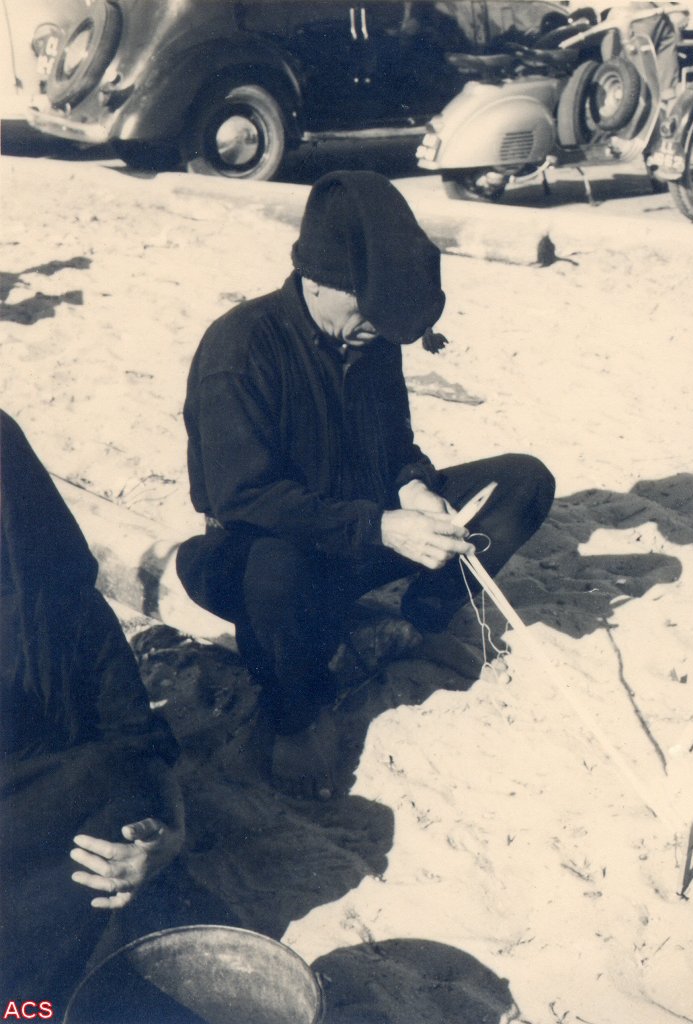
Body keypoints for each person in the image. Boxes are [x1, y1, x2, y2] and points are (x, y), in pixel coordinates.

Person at [177, 170, 555, 800]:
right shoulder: (240, 348)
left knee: (523, 481)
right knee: (273, 571)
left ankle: (419, 619)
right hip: (270, 555)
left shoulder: (369, 337)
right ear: (316, 281)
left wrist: (413, 489)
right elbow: (243, 497)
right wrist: (381, 525)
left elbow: (396, 446)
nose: (378, 330)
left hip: (367, 535)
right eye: (368, 312)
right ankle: (296, 715)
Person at [0, 410, 184, 1011]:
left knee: (109, 788)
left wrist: (167, 842)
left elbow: (136, 741)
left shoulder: (60, 606)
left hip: (41, 835)